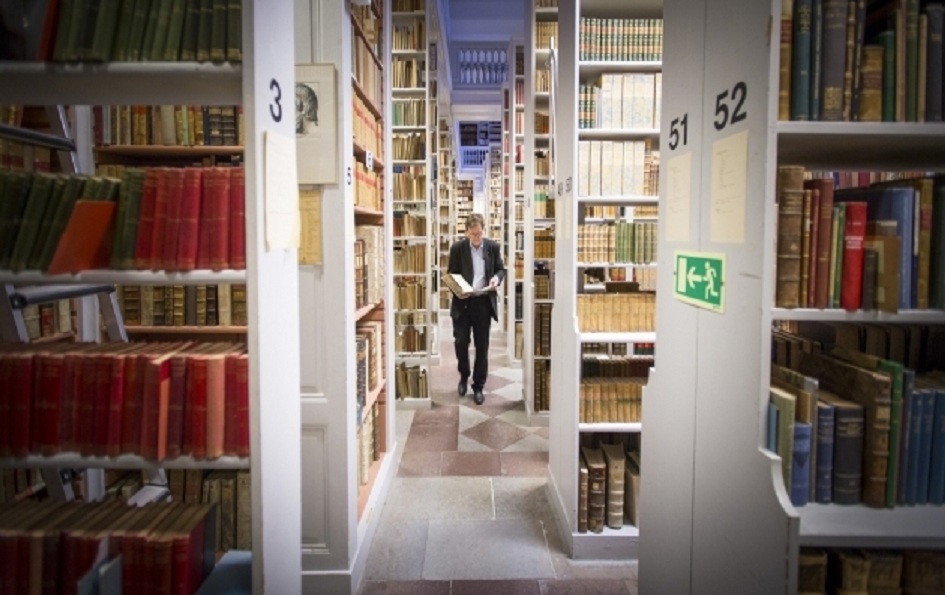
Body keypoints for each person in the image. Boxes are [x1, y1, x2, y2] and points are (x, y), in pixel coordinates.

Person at [448, 213, 505, 405]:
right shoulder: (457, 249)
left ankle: (479, 385)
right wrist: (458, 291)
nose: (477, 238)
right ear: (466, 232)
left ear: (483, 230)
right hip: (463, 303)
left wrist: (496, 279)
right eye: (473, 234)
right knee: (460, 342)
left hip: (482, 302)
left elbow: (500, 269)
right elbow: (451, 275)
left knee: (482, 346)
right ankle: (464, 375)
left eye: (479, 233)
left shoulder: (492, 247)